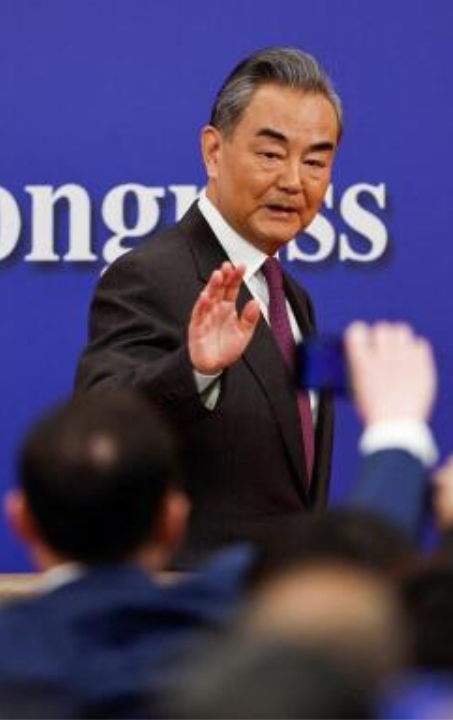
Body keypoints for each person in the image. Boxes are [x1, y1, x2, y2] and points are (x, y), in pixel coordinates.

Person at [0, 322, 444, 717]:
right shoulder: (244, 625)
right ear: (173, 518)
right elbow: (350, 571)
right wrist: (396, 429)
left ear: (22, 520)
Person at [74, 48, 344, 565]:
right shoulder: (150, 275)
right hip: (189, 618)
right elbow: (96, 427)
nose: (293, 180)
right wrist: (193, 370)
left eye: (315, 161)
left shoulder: (296, 301)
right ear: (213, 152)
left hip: (278, 616)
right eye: (271, 154)